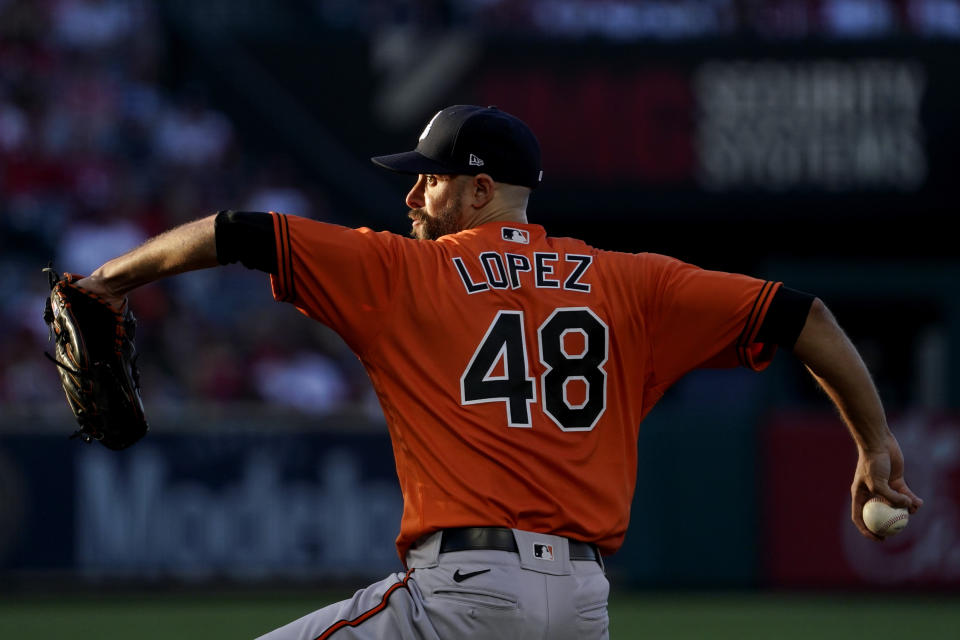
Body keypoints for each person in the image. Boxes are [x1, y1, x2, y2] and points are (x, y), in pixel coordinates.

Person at [73, 105, 922, 639]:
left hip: (463, 596)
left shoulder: (407, 275)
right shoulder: (635, 283)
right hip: (584, 607)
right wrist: (873, 444)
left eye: (429, 183)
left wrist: (109, 283)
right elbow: (803, 314)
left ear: (480, 192)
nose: (411, 200)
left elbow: (239, 229)